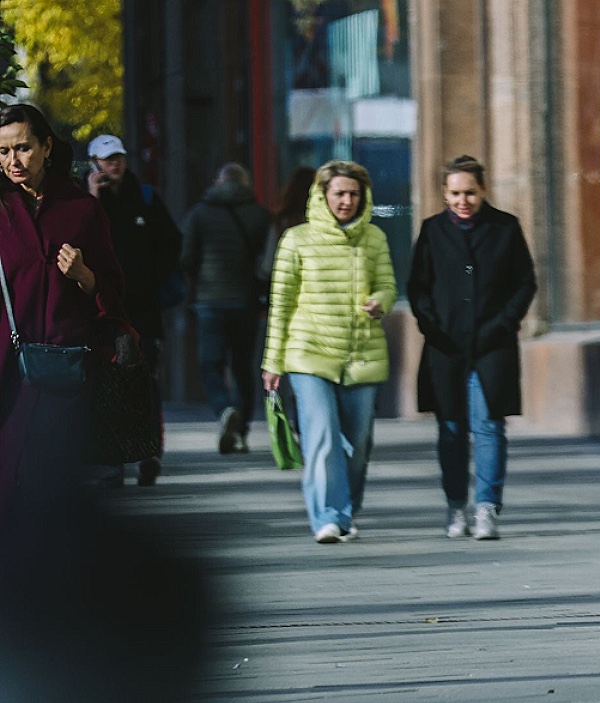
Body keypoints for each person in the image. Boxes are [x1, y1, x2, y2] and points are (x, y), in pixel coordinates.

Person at [0, 104, 130, 523]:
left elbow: (113, 288)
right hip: (5, 371)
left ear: (46, 147)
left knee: (50, 477)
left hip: (65, 364)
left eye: (22, 148)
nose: (12, 161)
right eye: (2, 152)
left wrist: (86, 275)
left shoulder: (82, 210)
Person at [261, 161, 395, 544]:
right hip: (309, 353)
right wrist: (273, 361)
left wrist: (381, 301)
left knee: (358, 443)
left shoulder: (375, 239)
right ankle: (326, 517)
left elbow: (387, 283)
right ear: (322, 196)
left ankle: (346, 509)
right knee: (322, 437)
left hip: (361, 354)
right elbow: (281, 304)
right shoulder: (296, 239)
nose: (347, 201)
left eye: (354, 194)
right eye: (339, 193)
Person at [408, 156, 538, 540]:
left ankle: (487, 507)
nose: (462, 201)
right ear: (444, 194)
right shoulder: (432, 231)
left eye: (470, 192)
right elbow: (418, 287)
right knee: (450, 429)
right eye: (454, 193)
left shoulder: (505, 228)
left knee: (489, 426)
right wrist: (432, 326)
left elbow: (524, 283)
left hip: (492, 345)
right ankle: (455, 506)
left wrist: (503, 323)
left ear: (483, 190)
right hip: (445, 348)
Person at [85, 133, 180, 486]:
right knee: (105, 383)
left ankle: (148, 453)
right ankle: (113, 461)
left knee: (144, 381)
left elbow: (172, 244)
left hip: (142, 308)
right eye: (107, 159)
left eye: (119, 157)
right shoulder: (84, 202)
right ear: (93, 163)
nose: (114, 164)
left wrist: (149, 277)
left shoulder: (146, 198)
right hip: (100, 310)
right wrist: (94, 197)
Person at [181, 163, 272, 455]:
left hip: (210, 302)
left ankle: (224, 409)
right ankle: (241, 431)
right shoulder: (260, 215)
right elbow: (269, 262)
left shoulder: (199, 214)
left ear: (217, 182)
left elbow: (186, 257)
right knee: (243, 367)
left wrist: (199, 284)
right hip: (245, 303)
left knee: (211, 364)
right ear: (245, 184)